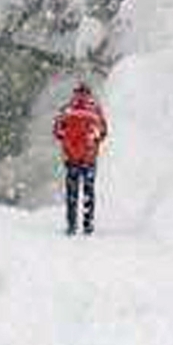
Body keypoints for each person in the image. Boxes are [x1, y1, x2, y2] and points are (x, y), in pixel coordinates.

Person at [53, 81, 109, 236]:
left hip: (71, 158)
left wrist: (68, 143)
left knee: (72, 192)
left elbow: (57, 131)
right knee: (88, 192)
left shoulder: (67, 109)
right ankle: (88, 224)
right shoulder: (95, 110)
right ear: (89, 94)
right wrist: (93, 143)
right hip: (89, 158)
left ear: (75, 93)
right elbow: (103, 132)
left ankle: (72, 225)